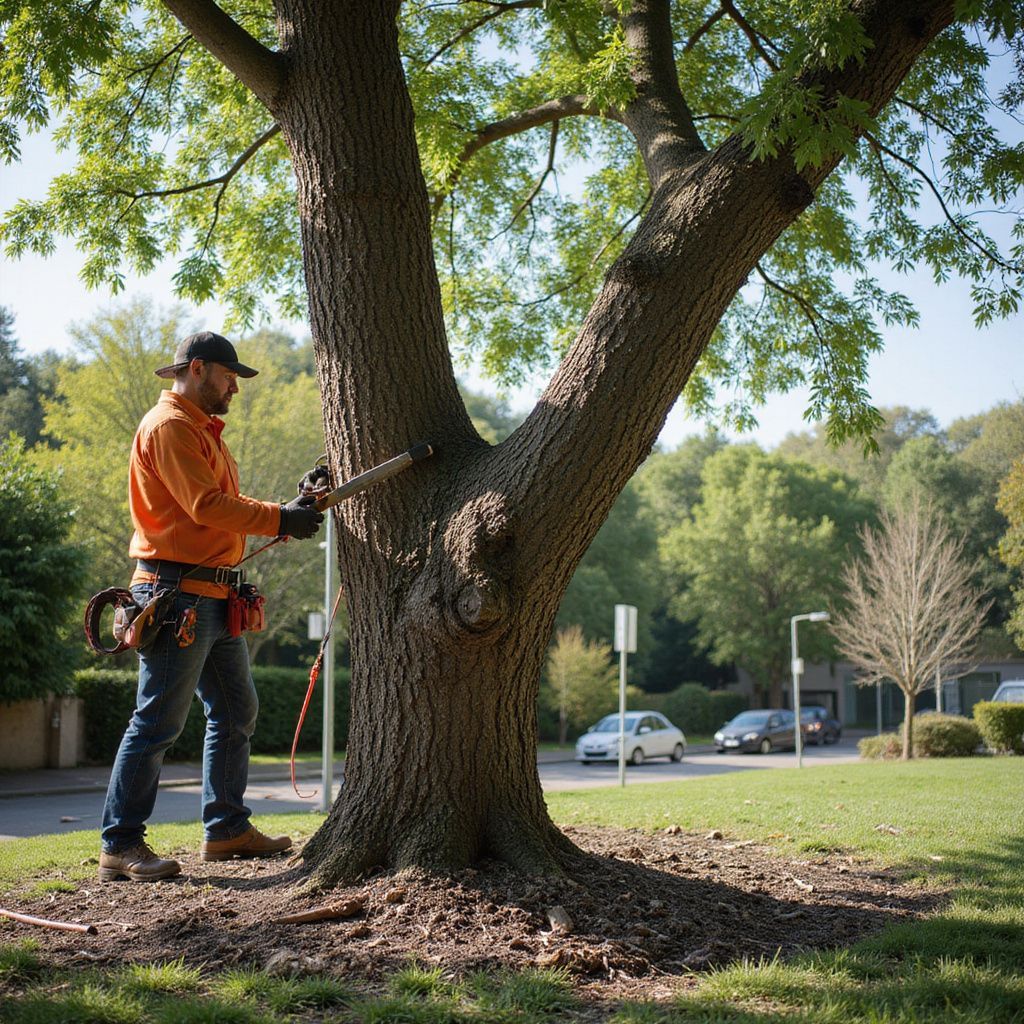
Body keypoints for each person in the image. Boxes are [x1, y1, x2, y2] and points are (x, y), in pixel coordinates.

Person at [98, 331, 324, 882]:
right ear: (197, 369)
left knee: (236, 711)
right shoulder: (171, 426)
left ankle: (226, 830)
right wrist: (279, 517)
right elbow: (206, 506)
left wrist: (292, 508)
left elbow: (222, 507)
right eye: (229, 378)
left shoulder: (201, 431)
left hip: (213, 596)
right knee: (157, 721)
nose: (234, 389)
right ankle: (120, 845)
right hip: (176, 598)